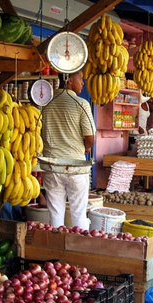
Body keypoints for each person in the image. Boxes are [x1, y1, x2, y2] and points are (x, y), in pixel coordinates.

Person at [41, 70, 96, 228]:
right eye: (80, 79)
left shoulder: (45, 103)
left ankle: (56, 247)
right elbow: (90, 138)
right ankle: (79, 248)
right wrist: (86, 148)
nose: (83, 83)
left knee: (55, 213)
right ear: (69, 81)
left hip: (52, 167)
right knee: (79, 213)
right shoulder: (81, 104)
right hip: (76, 168)